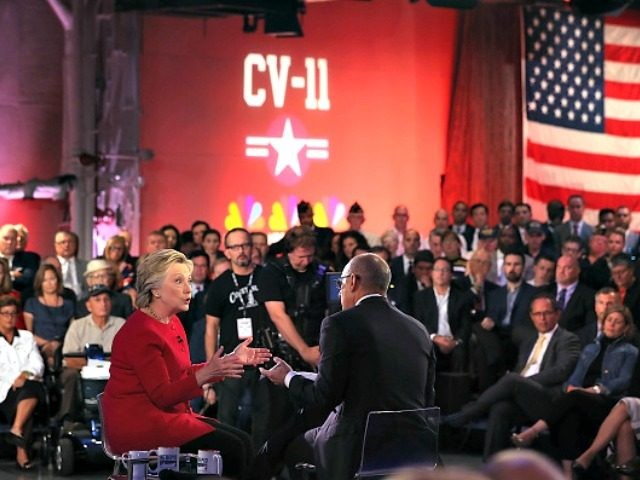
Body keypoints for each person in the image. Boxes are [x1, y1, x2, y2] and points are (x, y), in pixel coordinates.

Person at [259, 253, 436, 479]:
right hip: (412, 443)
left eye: (341, 284)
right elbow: (427, 397)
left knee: (291, 447)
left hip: (357, 444)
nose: (341, 291)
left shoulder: (339, 323)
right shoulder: (418, 329)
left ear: (353, 281)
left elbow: (324, 397)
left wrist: (288, 377)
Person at [102, 249, 271, 479]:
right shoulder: (140, 332)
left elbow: (181, 374)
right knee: (234, 448)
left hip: (168, 416)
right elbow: (162, 395)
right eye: (178, 281)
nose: (188, 289)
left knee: (245, 441)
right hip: (140, 423)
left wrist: (227, 362)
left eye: (188, 280)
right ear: (156, 289)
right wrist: (207, 373)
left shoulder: (171, 321)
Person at [442, 293, 581, 459]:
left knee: (512, 379)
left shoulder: (568, 339)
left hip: (548, 399)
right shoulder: (529, 339)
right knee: (500, 409)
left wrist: (522, 383)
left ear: (557, 314)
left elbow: (562, 371)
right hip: (522, 397)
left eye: (547, 313)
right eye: (537, 314)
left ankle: (467, 414)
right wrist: (519, 384)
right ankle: (492, 466)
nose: (542, 318)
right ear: (531, 317)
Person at [512, 304, 638, 477]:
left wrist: (596, 389)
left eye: (618, 322)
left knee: (575, 396)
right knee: (570, 413)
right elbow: (575, 377)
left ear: (625, 327)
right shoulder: (590, 348)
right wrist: (570, 386)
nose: (612, 324)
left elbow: (624, 381)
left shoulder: (630, 351)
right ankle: (568, 473)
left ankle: (533, 431)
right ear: (603, 322)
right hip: (581, 398)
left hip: (609, 402)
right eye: (609, 320)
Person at [205, 228, 272, 448]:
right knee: (228, 418)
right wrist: (212, 367)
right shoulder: (220, 285)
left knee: (264, 419)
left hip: (265, 358)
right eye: (235, 247)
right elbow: (211, 327)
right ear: (227, 252)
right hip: (232, 362)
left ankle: (261, 468)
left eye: (245, 245)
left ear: (252, 248)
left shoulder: (266, 276)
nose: (241, 251)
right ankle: (229, 467)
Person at [57, 284, 126, 422]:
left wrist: (93, 362)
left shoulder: (122, 324)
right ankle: (67, 420)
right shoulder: (77, 326)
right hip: (82, 374)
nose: (103, 304)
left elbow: (129, 358)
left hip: (114, 373)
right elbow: (69, 360)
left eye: (106, 299)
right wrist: (101, 363)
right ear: (89, 305)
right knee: (70, 375)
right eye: (98, 300)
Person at [0, 295, 45, 470]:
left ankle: (16, 430)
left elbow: (37, 364)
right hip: (3, 392)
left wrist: (24, 375)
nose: (9, 317)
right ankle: (21, 448)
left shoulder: (26, 337)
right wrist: (12, 380)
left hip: (27, 385)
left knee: (30, 388)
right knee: (28, 399)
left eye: (13, 313)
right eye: (5, 314)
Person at [23, 264, 75, 368]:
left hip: (64, 346)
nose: (49, 283)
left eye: (52, 279)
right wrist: (47, 344)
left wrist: (58, 344)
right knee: (47, 356)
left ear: (58, 280)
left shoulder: (68, 304)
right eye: (44, 280)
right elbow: (29, 333)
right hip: (39, 346)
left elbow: (73, 331)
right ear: (40, 283)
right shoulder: (31, 303)